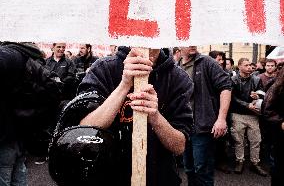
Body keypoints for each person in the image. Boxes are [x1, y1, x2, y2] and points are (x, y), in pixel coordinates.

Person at [77, 47, 194, 186]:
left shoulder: (177, 78)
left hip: (158, 177)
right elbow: (84, 127)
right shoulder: (104, 68)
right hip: (107, 176)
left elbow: (179, 146)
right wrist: (124, 85)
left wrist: (155, 117)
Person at [0, 42, 61, 185]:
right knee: (18, 174)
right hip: (21, 130)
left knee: (6, 174)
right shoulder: (28, 58)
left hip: (7, 133)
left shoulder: (7, 56)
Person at [178, 46, 232, 186]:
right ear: (179, 45)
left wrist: (221, 119)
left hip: (202, 127)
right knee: (188, 168)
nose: (193, 44)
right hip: (184, 127)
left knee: (202, 170)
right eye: (188, 41)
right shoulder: (176, 65)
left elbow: (226, 87)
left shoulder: (207, 62)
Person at [230, 58, 268, 176]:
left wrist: (257, 96)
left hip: (253, 115)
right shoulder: (233, 79)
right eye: (246, 65)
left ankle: (255, 163)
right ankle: (239, 161)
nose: (249, 68)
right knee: (238, 140)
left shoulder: (256, 79)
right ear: (239, 66)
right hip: (238, 114)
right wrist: (247, 105)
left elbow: (262, 93)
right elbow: (232, 98)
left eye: (250, 65)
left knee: (255, 140)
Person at [262, 66, 284, 186]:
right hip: (280, 134)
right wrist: (281, 122)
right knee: (279, 167)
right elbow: (267, 108)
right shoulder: (278, 85)